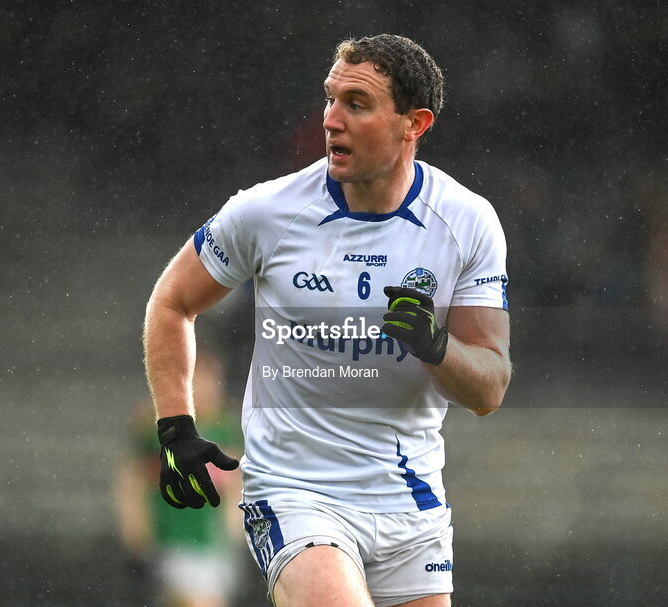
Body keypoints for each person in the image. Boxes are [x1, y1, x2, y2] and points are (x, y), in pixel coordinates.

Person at [143, 34, 511, 607]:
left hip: (411, 504)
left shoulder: (467, 222)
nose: (331, 121)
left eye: (356, 105)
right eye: (329, 99)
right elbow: (171, 301)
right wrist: (176, 428)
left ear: (414, 123)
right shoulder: (268, 211)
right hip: (295, 494)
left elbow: (489, 387)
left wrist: (435, 345)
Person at [114, 350, 244, 607]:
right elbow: (132, 479)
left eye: (211, 379)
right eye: (197, 379)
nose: (205, 388)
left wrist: (235, 528)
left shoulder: (226, 426)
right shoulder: (156, 425)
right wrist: (135, 526)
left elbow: (236, 480)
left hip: (211, 540)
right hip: (170, 536)